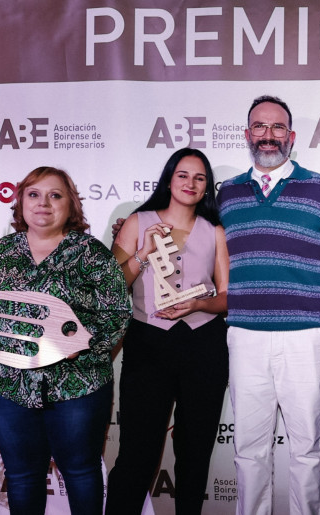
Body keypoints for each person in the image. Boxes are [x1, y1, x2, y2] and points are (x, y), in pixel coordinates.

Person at [217, 95, 320, 514]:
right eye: (260, 127)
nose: (269, 136)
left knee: (306, 448)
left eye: (278, 127)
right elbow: (191, 240)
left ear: (292, 136)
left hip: (306, 336)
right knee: (249, 450)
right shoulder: (226, 194)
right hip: (245, 335)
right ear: (248, 135)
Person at [0, 166, 131, 515]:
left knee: (81, 472)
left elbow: (116, 314)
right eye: (34, 194)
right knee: (22, 476)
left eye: (56, 195)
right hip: (10, 386)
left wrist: (79, 345)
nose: (44, 204)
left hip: (78, 386)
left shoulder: (91, 253)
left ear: (71, 205)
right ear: (20, 202)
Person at [106, 148, 229, 514]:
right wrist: (142, 252)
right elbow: (111, 286)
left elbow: (226, 297)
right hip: (148, 344)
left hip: (203, 344)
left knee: (195, 452)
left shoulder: (215, 231)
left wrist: (198, 304)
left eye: (199, 177)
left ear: (207, 187)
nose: (190, 183)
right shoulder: (137, 222)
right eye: (183, 175)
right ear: (169, 179)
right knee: (137, 454)